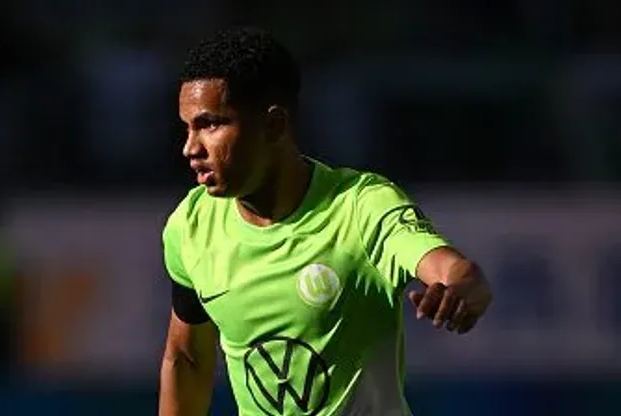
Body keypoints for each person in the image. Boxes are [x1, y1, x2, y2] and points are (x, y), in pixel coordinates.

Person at [159, 26, 492, 416]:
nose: (190, 148)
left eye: (210, 124)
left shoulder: (360, 206)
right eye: (187, 128)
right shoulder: (191, 225)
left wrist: (460, 291)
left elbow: (458, 273)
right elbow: (187, 356)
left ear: (273, 125)